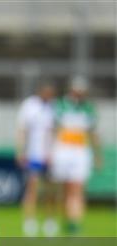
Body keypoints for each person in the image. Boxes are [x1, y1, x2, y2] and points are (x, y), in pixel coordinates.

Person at [50, 77, 102, 235]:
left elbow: (92, 133)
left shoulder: (88, 109)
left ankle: (74, 223)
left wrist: (97, 154)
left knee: (77, 188)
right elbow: (55, 129)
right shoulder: (61, 106)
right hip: (63, 150)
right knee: (63, 189)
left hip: (80, 152)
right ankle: (64, 219)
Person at [15, 81, 58, 236]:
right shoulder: (30, 106)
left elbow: (56, 132)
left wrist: (53, 152)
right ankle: (30, 221)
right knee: (32, 187)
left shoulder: (55, 107)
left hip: (50, 156)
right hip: (34, 154)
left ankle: (49, 221)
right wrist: (21, 151)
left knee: (50, 190)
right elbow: (22, 130)